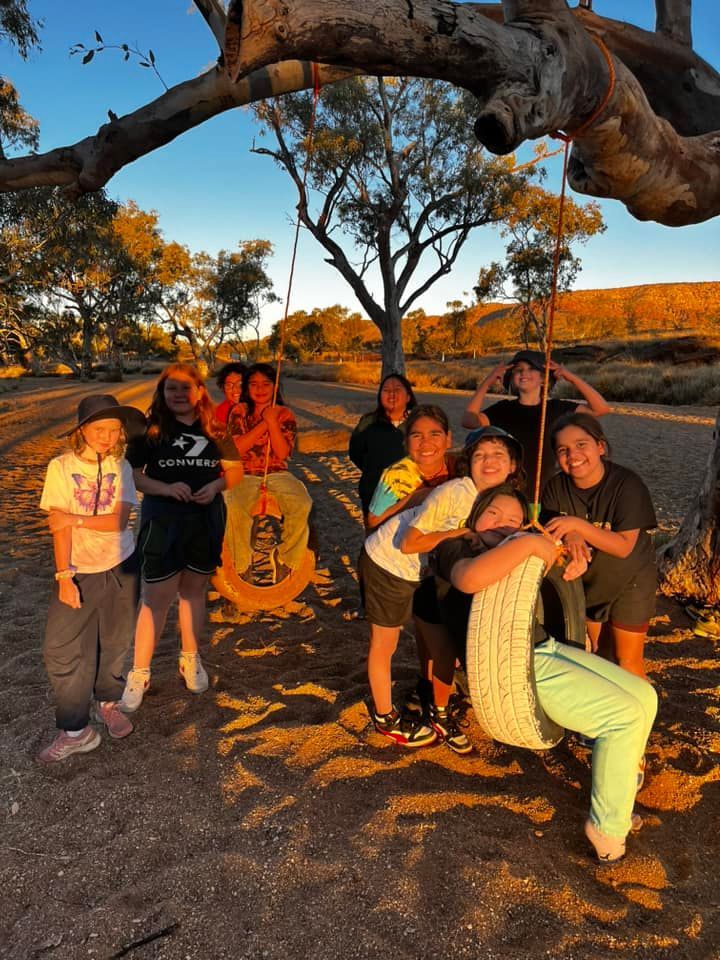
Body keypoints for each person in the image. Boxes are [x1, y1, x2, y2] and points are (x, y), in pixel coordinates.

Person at [434, 487, 657, 862]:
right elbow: (469, 580)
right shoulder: (458, 547)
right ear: (474, 519)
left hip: (543, 647)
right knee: (622, 718)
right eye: (493, 514)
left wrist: (567, 541)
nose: (503, 524)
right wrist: (527, 545)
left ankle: (617, 793)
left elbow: (557, 549)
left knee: (644, 696)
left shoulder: (516, 549)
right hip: (509, 662)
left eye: (513, 520)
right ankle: (606, 831)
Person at [360, 425, 523, 748]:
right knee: (385, 642)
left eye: (498, 455)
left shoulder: (501, 498)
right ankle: (385, 717)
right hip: (389, 564)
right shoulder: (455, 493)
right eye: (480, 455)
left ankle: (438, 711)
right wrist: (457, 535)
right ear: (468, 462)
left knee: (443, 647)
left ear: (512, 465)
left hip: (428, 572)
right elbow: (408, 543)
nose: (489, 462)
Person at [121, 363, 242, 713]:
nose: (178, 394)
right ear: (162, 393)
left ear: (200, 391)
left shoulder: (215, 428)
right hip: (163, 520)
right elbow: (134, 475)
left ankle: (190, 659)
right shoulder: (150, 430)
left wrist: (216, 485)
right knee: (155, 597)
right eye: (171, 388)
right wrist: (166, 488)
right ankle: (139, 672)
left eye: (185, 388)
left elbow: (235, 472)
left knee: (192, 593)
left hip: (205, 520)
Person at [37, 394, 146, 763]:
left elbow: (119, 521)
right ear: (82, 430)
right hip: (79, 569)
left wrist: (76, 518)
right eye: (99, 429)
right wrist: (64, 576)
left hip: (122, 565)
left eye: (114, 430)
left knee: (115, 642)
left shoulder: (123, 467)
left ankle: (108, 703)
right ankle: (75, 729)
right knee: (61, 649)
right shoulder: (61, 467)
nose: (107, 437)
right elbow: (58, 528)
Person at [542, 411, 658, 680]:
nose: (573, 455)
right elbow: (551, 529)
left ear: (601, 446)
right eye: (563, 450)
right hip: (589, 583)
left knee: (626, 660)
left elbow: (623, 546)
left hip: (631, 578)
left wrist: (576, 525)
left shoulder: (627, 484)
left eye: (581, 444)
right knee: (599, 653)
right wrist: (570, 535)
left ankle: (639, 719)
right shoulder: (555, 488)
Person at [461, 350, 610, 501]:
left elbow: (601, 409)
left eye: (531, 368)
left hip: (548, 493)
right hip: (511, 493)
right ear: (512, 379)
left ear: (543, 379)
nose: (524, 373)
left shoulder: (558, 408)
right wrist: (488, 381)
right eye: (518, 370)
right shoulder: (503, 409)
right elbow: (468, 420)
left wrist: (569, 377)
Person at [225, 362, 312, 583]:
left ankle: (285, 560)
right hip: (243, 473)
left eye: (266, 383)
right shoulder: (239, 411)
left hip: (277, 472)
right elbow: (237, 448)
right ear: (247, 388)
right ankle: (243, 564)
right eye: (254, 384)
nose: (260, 388)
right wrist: (265, 423)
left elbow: (283, 454)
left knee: (302, 503)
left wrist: (273, 422)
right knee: (233, 505)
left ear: (275, 386)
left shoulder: (285, 414)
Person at [366, 404, 457, 531]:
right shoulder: (396, 476)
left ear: (448, 439)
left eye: (435, 434)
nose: (426, 442)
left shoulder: (458, 466)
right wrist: (417, 497)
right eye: (417, 436)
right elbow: (373, 521)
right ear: (406, 442)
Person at [349, 372, 417, 525]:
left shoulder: (417, 423)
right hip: (373, 490)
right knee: (374, 536)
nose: (391, 394)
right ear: (380, 396)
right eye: (386, 390)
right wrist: (373, 470)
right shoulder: (368, 423)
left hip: (410, 494)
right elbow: (355, 452)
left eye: (397, 389)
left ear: (408, 397)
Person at [214, 361, 246, 426]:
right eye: (229, 385)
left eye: (240, 384)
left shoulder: (258, 406)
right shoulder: (221, 412)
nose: (235, 389)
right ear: (223, 388)